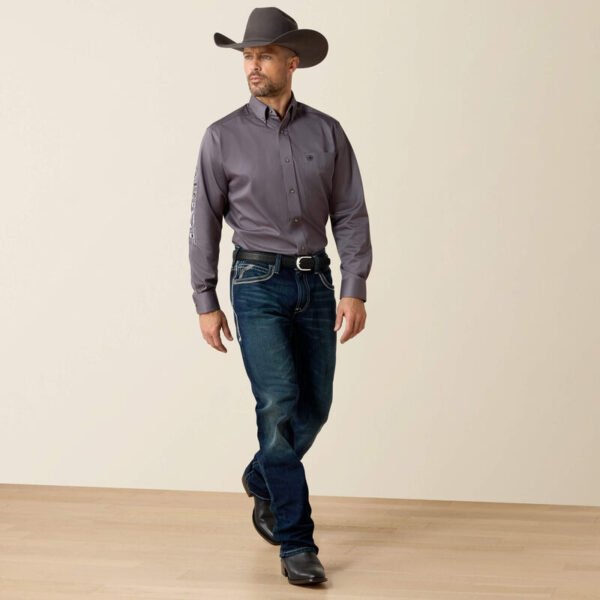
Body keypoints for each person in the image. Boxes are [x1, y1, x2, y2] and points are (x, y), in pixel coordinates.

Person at [188, 7, 373, 586]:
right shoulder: (221, 136)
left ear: (292, 62)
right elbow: (203, 222)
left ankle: (262, 475)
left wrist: (355, 286)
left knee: (314, 406)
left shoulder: (328, 132)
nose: (253, 66)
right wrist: (205, 299)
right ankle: (297, 542)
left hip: (316, 281)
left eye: (264, 55)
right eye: (247, 56)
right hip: (256, 283)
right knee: (277, 403)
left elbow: (350, 213)